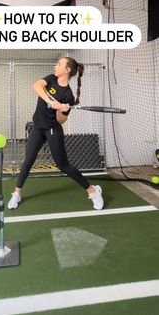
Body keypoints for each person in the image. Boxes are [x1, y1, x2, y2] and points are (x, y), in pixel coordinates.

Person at [8, 57, 104, 211]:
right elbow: (36, 86)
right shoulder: (51, 79)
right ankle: (17, 193)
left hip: (53, 129)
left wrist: (62, 109)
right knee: (28, 160)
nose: (55, 66)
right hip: (38, 127)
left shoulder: (68, 95)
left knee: (63, 165)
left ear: (67, 70)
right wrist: (49, 100)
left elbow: (61, 120)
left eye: (59, 64)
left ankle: (93, 191)